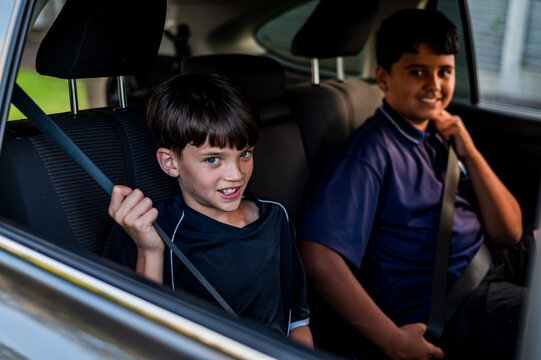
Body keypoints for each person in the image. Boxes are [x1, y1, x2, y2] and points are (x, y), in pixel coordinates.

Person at [298, 8, 534, 360]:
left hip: (487, 258)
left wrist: (468, 151)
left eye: (445, 72)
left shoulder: (438, 133)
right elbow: (318, 256)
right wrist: (391, 340)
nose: (434, 85)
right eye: (417, 71)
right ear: (383, 78)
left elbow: (510, 231)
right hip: (451, 302)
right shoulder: (370, 153)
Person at [107, 72, 313, 347]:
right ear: (170, 163)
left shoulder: (275, 217)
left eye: (245, 153)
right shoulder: (149, 229)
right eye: (213, 159)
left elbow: (296, 322)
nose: (236, 174)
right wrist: (149, 251)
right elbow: (139, 342)